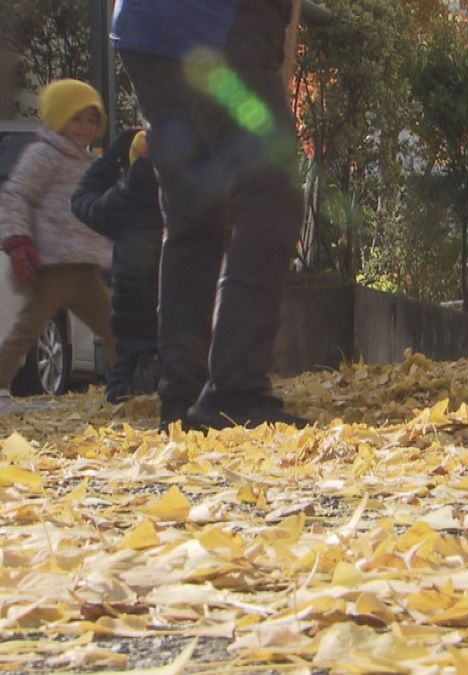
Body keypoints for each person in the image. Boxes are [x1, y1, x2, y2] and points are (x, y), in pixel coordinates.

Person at [111, 0, 308, 430]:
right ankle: (235, 390)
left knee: (192, 215)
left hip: (143, 34)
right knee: (271, 193)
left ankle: (181, 397)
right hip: (220, 31)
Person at [0, 79, 119, 399]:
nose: (84, 127)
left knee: (114, 328)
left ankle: (129, 386)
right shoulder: (44, 154)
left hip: (85, 268)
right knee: (27, 331)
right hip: (53, 267)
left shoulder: (87, 161)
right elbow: (15, 195)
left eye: (92, 120)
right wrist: (18, 239)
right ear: (57, 115)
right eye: (76, 117)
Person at [71, 128, 163, 403]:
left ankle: (118, 401)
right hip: (174, 304)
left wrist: (111, 160)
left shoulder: (121, 202)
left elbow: (81, 200)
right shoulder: (183, 201)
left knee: (126, 360)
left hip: (131, 307)